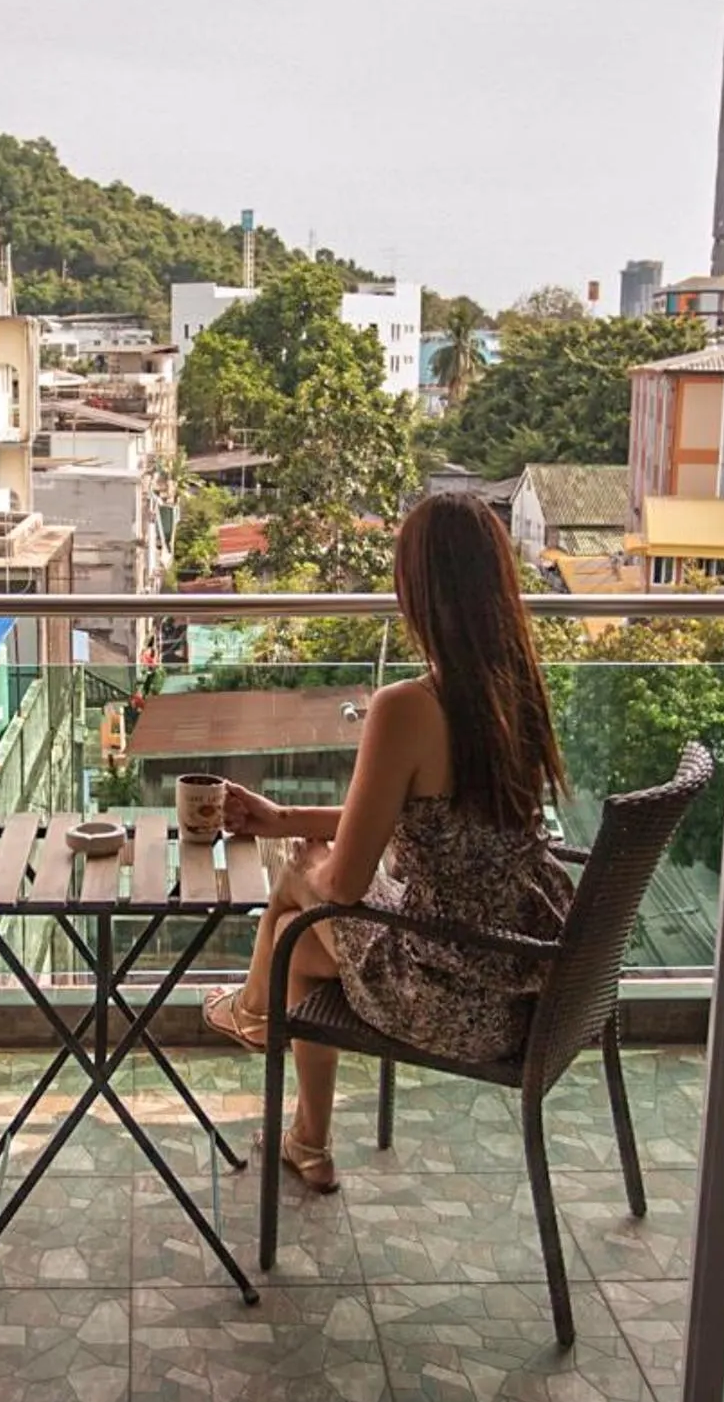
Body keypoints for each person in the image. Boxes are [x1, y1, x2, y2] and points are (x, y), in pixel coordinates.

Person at [200, 491, 574, 1192]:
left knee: (301, 885)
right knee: (294, 945)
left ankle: (254, 1014)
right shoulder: (514, 692)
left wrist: (301, 859)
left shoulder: (408, 708)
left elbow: (344, 885)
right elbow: (427, 821)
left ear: (417, 589)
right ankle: (306, 1139)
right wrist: (286, 816)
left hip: (449, 998)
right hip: (525, 989)